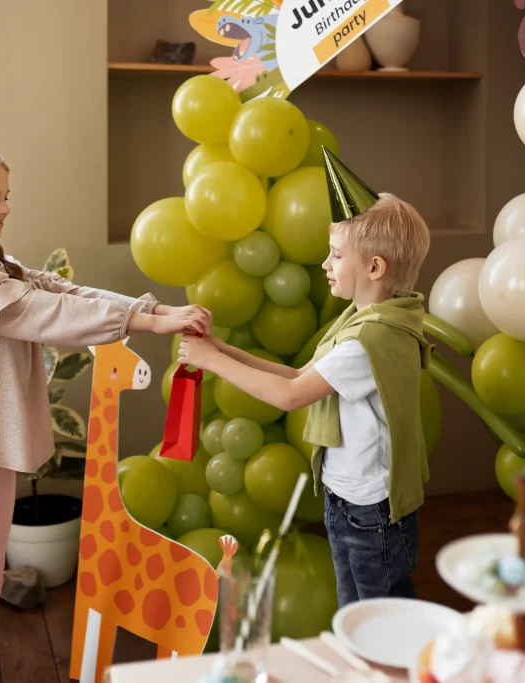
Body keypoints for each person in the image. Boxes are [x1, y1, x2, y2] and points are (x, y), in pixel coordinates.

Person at [0, 138, 211, 682]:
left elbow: (65, 290)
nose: (4, 207)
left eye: (6, 196)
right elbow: (43, 312)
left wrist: (155, 310)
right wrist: (146, 323)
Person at [179, 153, 431, 607]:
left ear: (374, 268)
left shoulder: (367, 339)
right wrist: (221, 350)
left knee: (378, 617)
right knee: (355, 613)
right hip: (350, 502)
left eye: (336, 255)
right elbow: (301, 375)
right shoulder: (364, 323)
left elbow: (292, 395)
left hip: (370, 513)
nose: (325, 264)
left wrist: (212, 363)